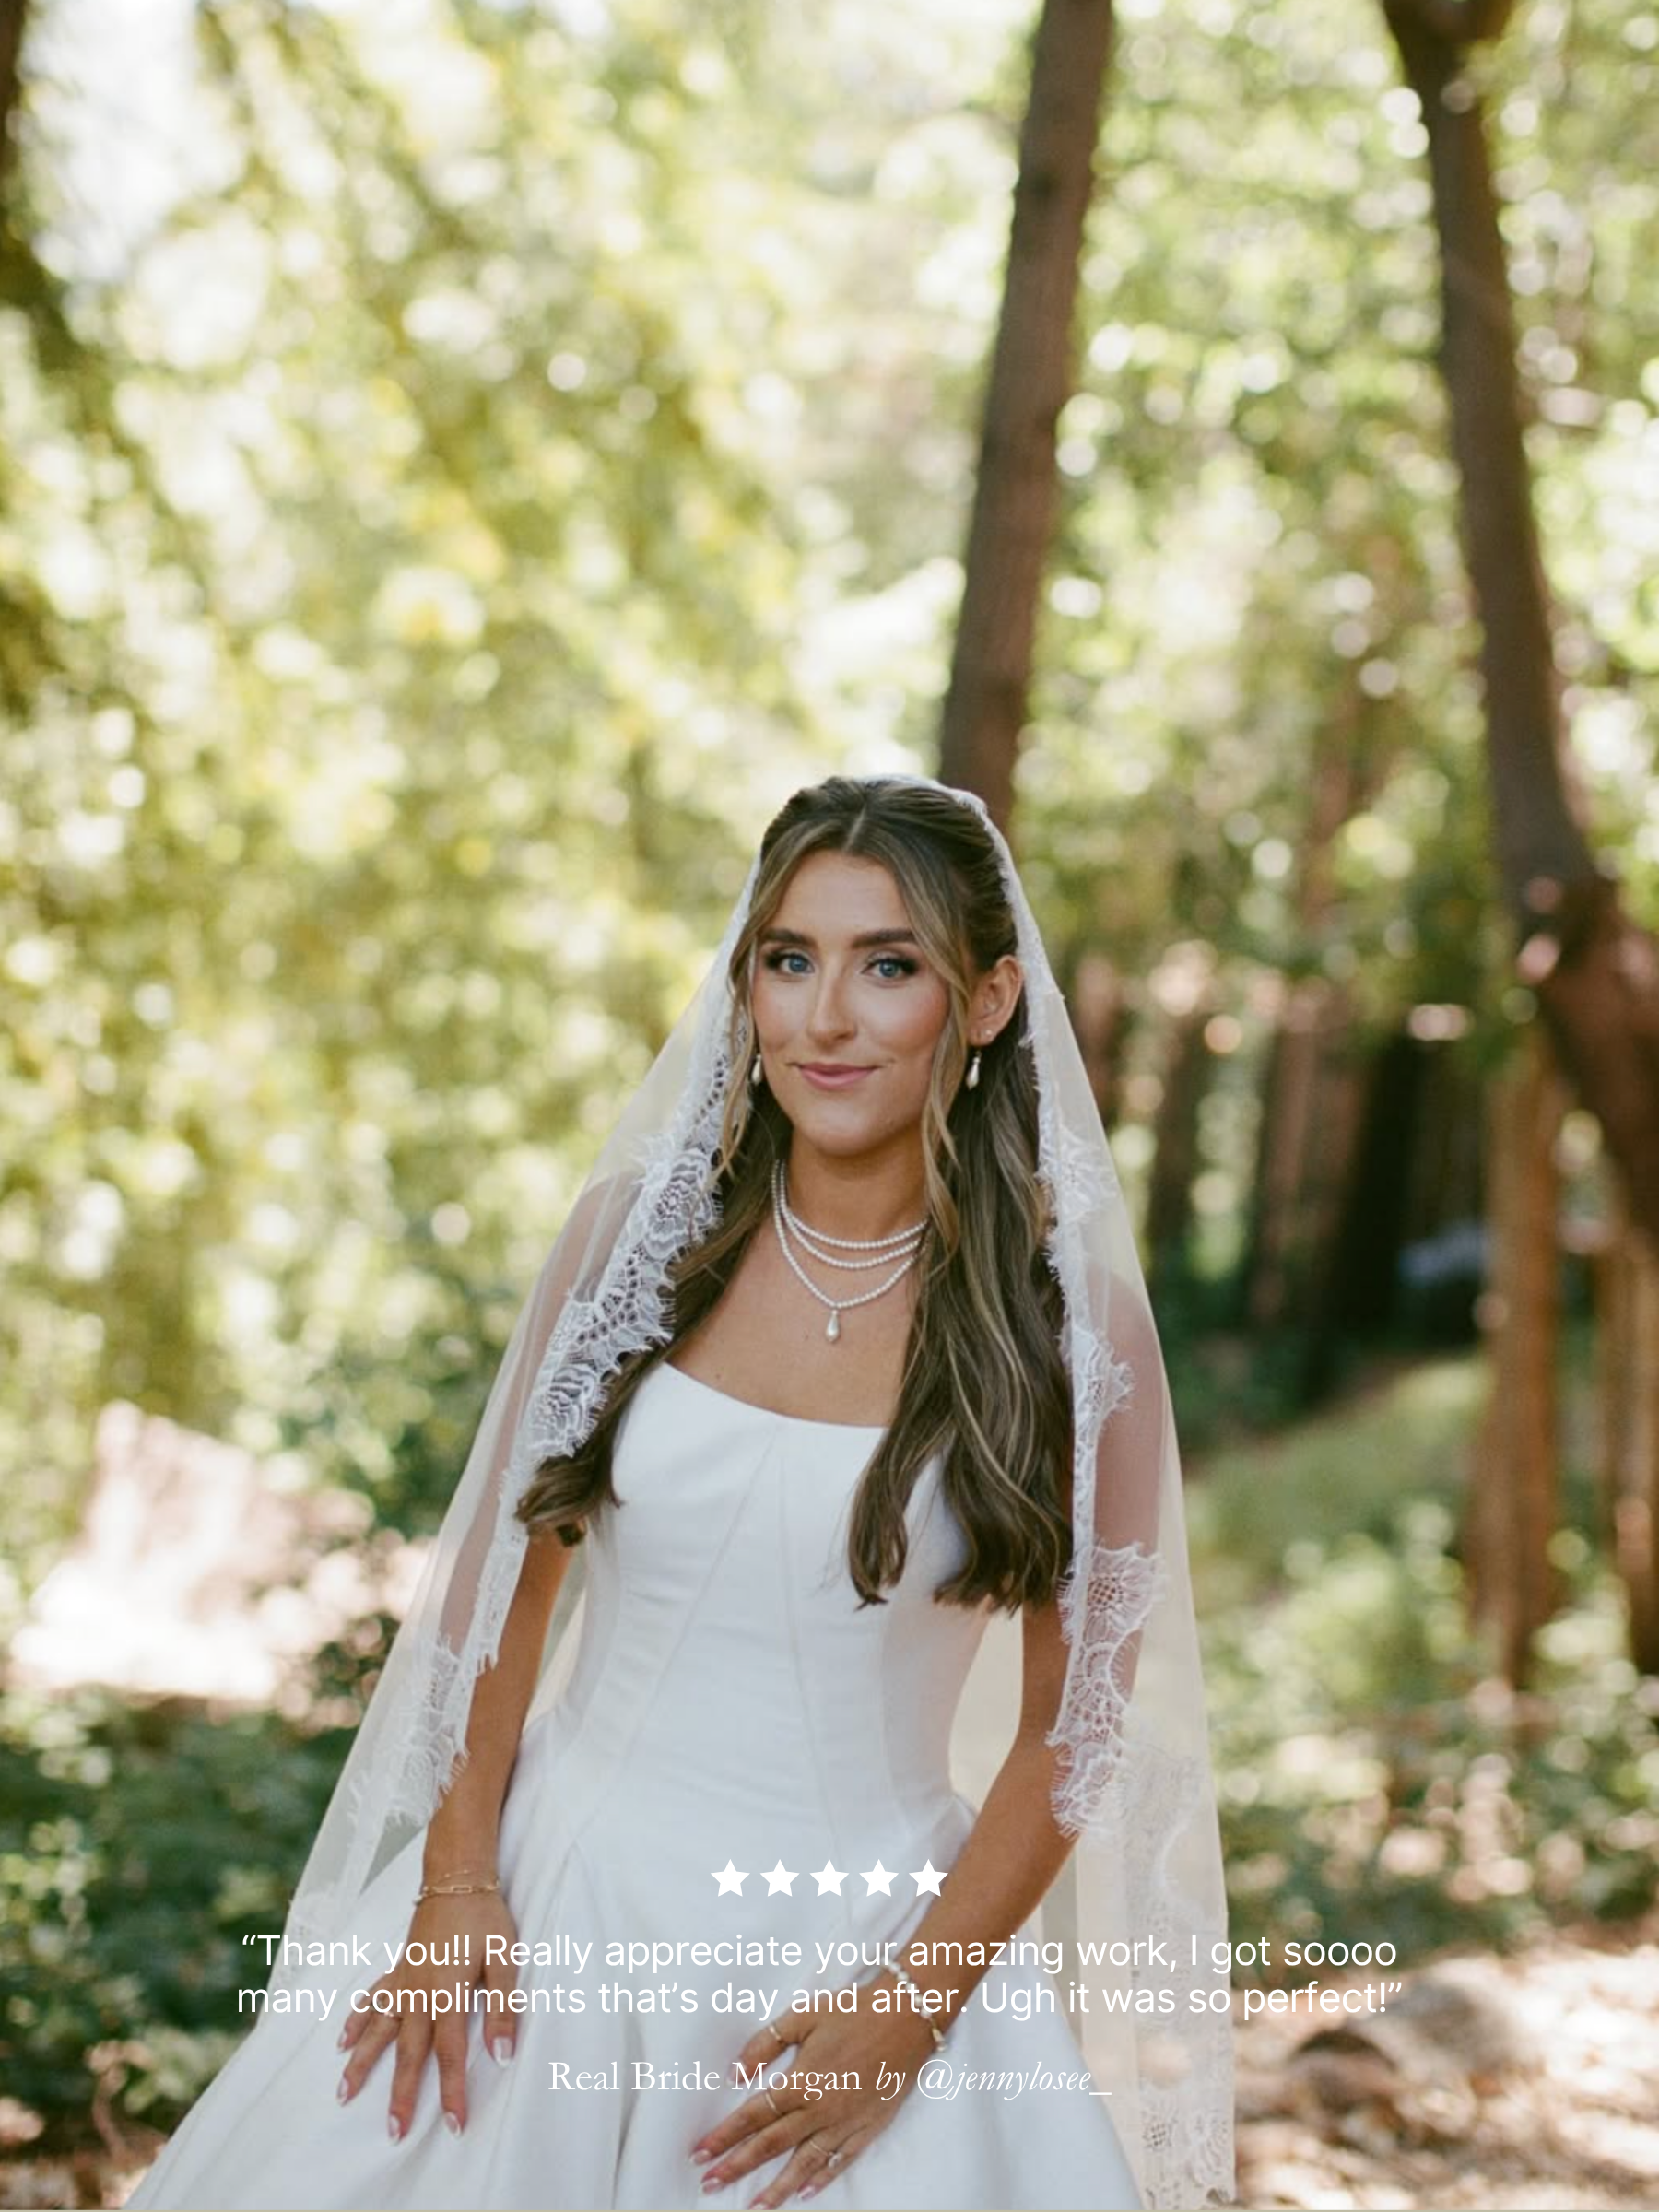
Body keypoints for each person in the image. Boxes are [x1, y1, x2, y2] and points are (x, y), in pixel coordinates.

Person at [123, 774, 1235, 2212]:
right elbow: (491, 1599)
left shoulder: (1067, 1323)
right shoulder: (633, 1248)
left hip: (868, 1939)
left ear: (986, 1000)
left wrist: (905, 2017)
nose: (824, 1017)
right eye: (789, 959)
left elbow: (1069, 1731)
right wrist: (458, 1887)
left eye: (887, 965)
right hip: (552, 1896)